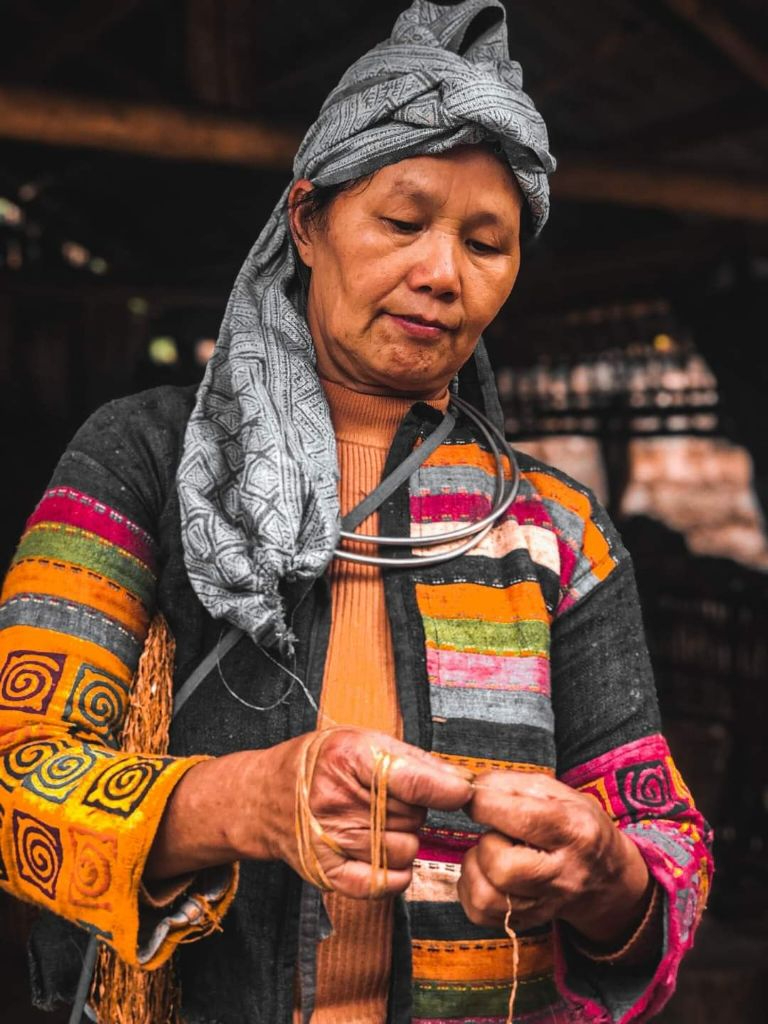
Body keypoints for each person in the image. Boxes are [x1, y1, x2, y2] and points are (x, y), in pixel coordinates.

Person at [0, 2, 712, 1022]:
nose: (441, 273)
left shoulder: (553, 527)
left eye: (486, 241)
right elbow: (14, 777)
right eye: (402, 219)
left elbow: (660, 835)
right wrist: (245, 799)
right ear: (307, 220)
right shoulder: (149, 462)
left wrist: (602, 872)